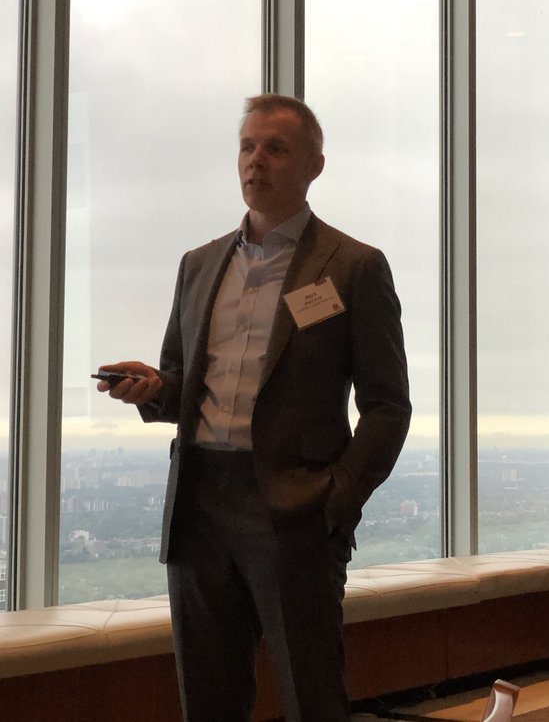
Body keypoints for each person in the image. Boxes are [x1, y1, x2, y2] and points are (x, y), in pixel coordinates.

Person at [97, 94, 411, 722]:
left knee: (312, 696)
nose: (256, 160)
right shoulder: (198, 265)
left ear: (314, 165)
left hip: (295, 509)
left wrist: (337, 498)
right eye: (247, 146)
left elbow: (387, 406)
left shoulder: (353, 267)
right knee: (208, 698)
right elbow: (183, 381)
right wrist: (153, 389)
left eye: (275, 148)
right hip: (198, 504)